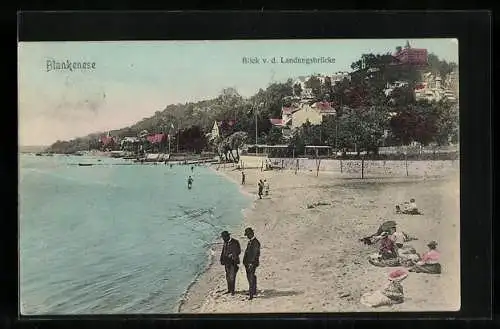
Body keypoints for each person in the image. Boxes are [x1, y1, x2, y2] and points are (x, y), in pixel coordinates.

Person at [220, 231, 241, 295]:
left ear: (227, 236)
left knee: (232, 277)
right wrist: (221, 259)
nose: (223, 239)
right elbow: (223, 251)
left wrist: (232, 254)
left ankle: (232, 291)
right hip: (227, 262)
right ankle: (229, 289)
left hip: (233, 262)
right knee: (228, 276)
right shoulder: (225, 243)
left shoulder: (235, 242)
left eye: (224, 237)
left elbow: (238, 251)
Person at [243, 227, 260, 300]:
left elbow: (255, 254)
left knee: (250, 277)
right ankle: (253, 291)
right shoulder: (251, 241)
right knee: (251, 276)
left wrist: (251, 263)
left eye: (247, 235)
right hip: (248, 263)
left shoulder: (255, 242)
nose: (247, 236)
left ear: (251, 234)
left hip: (251, 263)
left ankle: (251, 294)